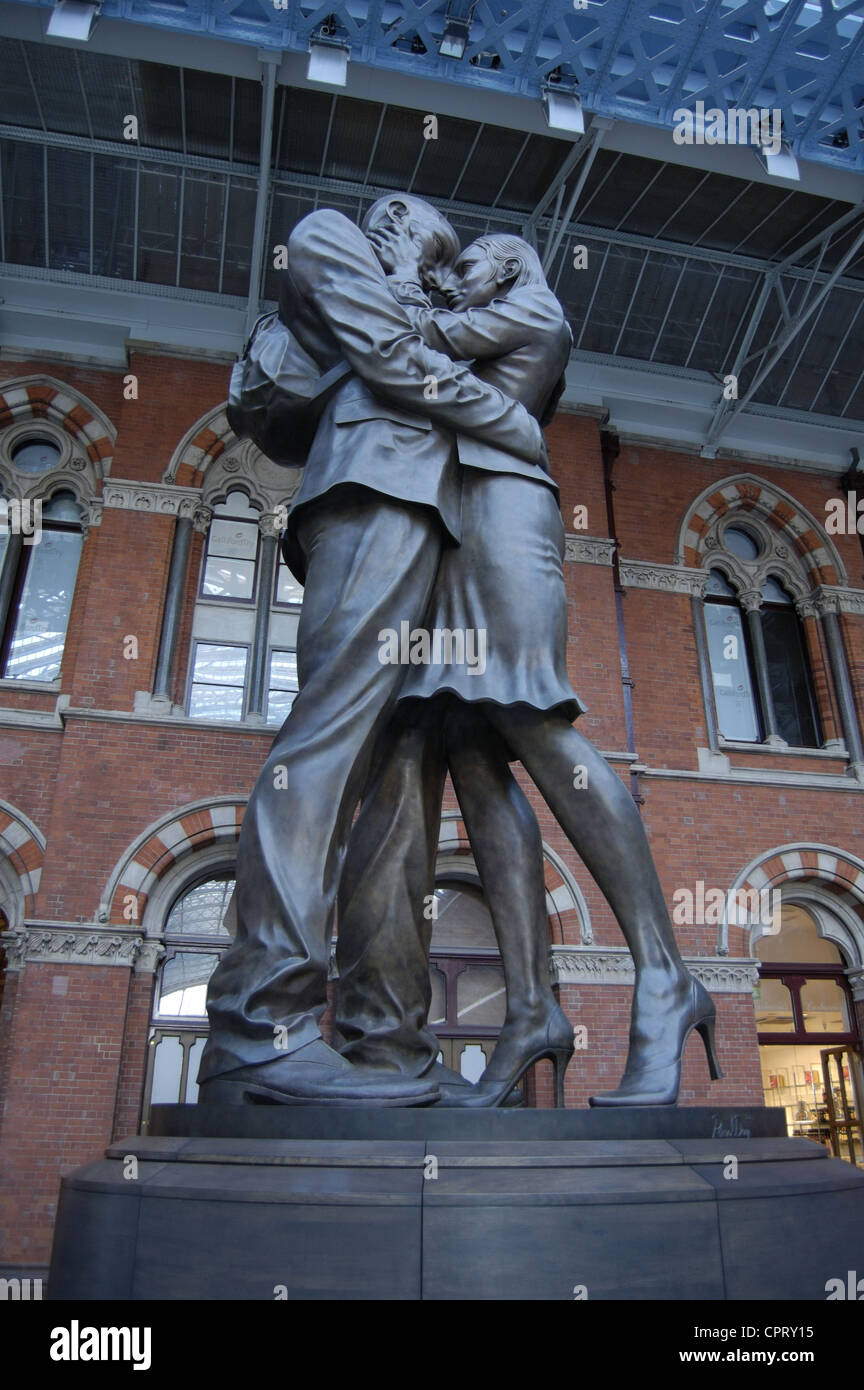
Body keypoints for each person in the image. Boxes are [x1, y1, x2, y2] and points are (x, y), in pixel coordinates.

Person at [334, 232, 722, 1108]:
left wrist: (399, 278)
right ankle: (532, 1011)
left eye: (465, 265)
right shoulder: (488, 307)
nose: (454, 277)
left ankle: (664, 975)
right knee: (472, 759)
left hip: (507, 519)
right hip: (454, 528)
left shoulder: (532, 306)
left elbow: (413, 342)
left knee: (535, 720)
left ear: (506, 268)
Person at [198, 197, 549, 1107]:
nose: (425, 271)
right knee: (329, 740)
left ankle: (384, 1044)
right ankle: (260, 1026)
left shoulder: (414, 296)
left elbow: (413, 346)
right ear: (388, 228)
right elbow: (395, 360)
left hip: (431, 518)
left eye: (437, 264)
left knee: (402, 782)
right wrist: (510, 426)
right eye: (420, 248)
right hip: (367, 495)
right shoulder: (328, 238)